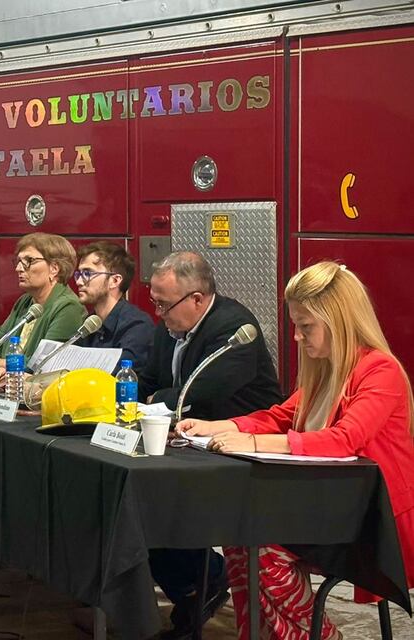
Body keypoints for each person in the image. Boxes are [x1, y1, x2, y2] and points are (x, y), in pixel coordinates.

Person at [178, 262, 414, 640]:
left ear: (339, 322)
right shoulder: (325, 372)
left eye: (306, 327)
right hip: (327, 510)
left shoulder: (380, 371)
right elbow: (279, 416)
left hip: (369, 521)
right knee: (240, 536)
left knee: (263, 547)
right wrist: (221, 426)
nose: (297, 337)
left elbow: (343, 439)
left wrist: (252, 443)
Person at [139, 251, 282, 639]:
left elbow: (200, 395)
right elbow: (149, 382)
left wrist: (157, 400)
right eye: (155, 302)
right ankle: (191, 590)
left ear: (197, 299)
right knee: (136, 501)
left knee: (155, 504)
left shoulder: (234, 328)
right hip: (190, 443)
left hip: (243, 454)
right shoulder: (168, 326)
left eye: (164, 304)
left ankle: (205, 581)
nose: (158, 313)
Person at [0, 233, 84, 372]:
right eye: (19, 261)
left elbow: (43, 362)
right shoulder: (25, 301)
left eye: (29, 260)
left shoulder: (68, 307)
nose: (19, 268)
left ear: (54, 268)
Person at [72, 241, 154, 370]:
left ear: (114, 281)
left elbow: (120, 373)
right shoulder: (90, 324)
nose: (78, 281)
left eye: (87, 274)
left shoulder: (137, 325)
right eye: (78, 274)